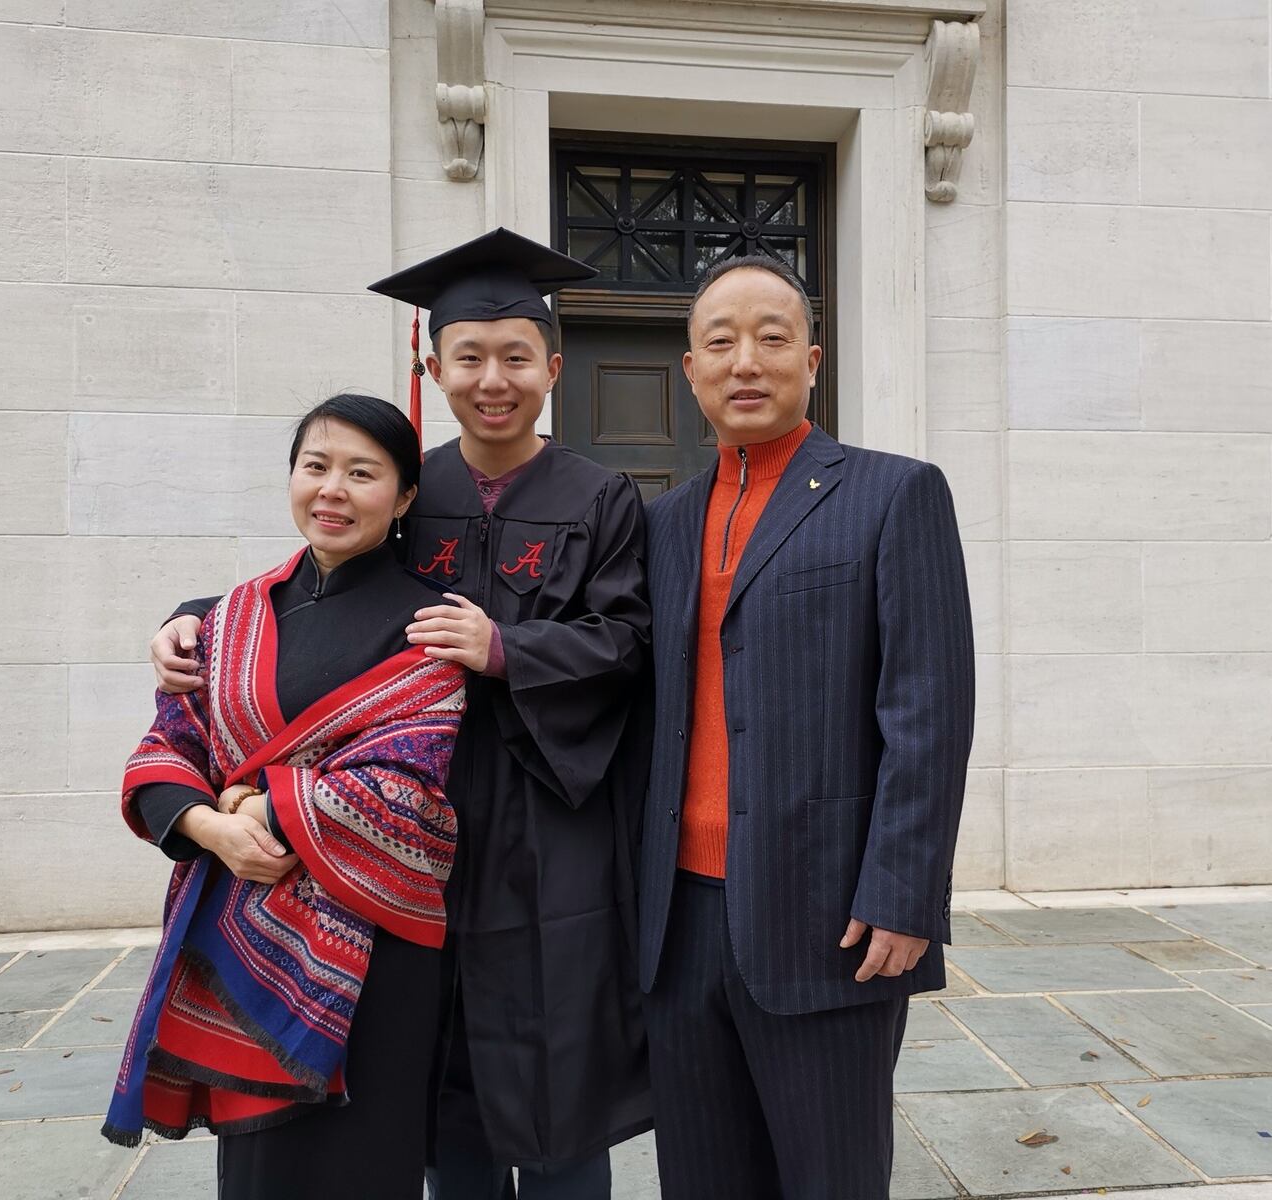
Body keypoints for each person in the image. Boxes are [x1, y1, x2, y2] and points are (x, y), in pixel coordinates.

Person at [150, 229, 652, 1199]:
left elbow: (630, 641)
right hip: (407, 836)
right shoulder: (409, 483)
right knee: (435, 1077)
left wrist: (507, 648)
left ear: (553, 365)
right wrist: (191, 618)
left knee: (554, 1084)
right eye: (469, 356)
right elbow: (320, 577)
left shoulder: (602, 496)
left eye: (515, 356)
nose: (491, 378)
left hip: (549, 836)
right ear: (432, 363)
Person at [636, 256, 976, 1200]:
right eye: (721, 342)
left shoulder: (894, 494)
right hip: (679, 923)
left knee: (831, 1178)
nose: (748, 360)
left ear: (813, 360)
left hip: (829, 916)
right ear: (691, 371)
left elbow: (929, 711)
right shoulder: (660, 524)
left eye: (773, 338)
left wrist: (906, 890)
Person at [103, 394, 466, 1200]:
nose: (332, 489)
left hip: (375, 951)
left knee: (365, 1165)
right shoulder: (229, 616)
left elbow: (405, 785)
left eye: (363, 473)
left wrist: (263, 806)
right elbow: (169, 744)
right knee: (260, 1172)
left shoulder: (429, 627)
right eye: (316, 466)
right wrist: (210, 825)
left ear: (405, 497)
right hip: (244, 927)